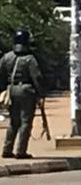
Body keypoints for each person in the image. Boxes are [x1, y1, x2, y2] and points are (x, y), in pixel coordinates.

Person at [0, 31, 44, 159]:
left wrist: (4, 89)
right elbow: (37, 77)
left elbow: (1, 75)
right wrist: (41, 94)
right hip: (26, 91)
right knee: (26, 122)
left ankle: (7, 149)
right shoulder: (30, 59)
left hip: (11, 89)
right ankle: (21, 151)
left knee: (14, 121)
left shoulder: (6, 57)